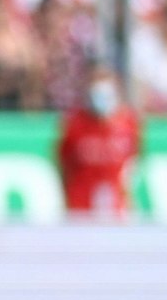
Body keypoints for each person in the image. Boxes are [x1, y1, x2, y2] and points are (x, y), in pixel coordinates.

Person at [57, 68, 141, 217]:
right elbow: (63, 163)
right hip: (81, 208)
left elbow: (135, 161)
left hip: (117, 208)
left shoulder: (129, 124)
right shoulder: (75, 125)